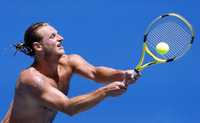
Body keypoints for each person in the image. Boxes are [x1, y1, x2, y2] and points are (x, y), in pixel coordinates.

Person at [2, 22, 140, 123]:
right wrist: (104, 92)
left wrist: (123, 74)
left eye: (58, 33)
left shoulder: (70, 62)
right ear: (38, 46)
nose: (61, 38)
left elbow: (96, 73)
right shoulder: (31, 79)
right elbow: (69, 108)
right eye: (53, 36)